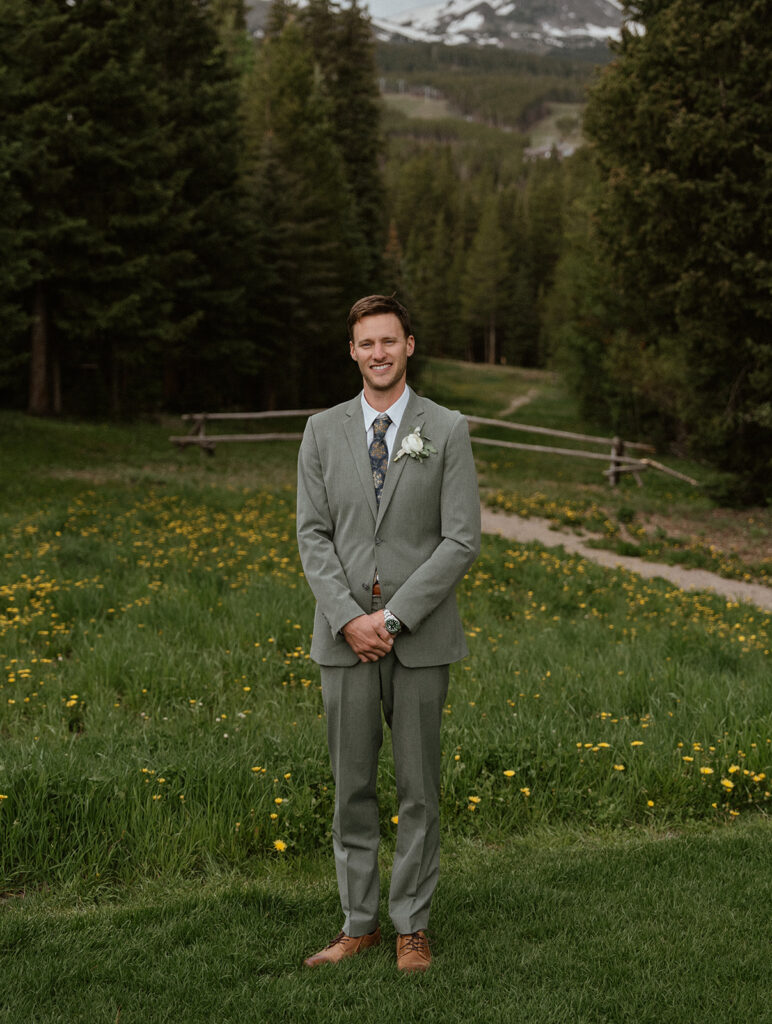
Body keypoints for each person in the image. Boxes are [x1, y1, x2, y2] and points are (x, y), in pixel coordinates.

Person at [296, 294, 480, 973]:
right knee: (350, 787)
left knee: (418, 787)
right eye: (366, 342)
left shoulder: (448, 428)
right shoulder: (320, 430)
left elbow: (461, 540)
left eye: (389, 341)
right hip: (343, 636)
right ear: (352, 350)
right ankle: (359, 923)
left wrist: (395, 618)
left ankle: (412, 926)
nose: (378, 352)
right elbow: (311, 535)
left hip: (421, 637)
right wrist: (349, 617)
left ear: (409, 345)